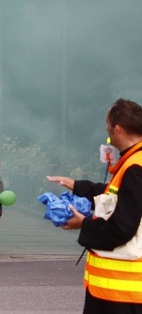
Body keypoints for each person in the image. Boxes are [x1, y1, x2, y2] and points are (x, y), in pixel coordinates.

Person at [48, 98, 142, 312]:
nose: (106, 129)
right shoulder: (133, 160)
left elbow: (121, 228)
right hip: (119, 292)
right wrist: (77, 185)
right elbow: (115, 195)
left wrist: (84, 223)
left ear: (117, 129)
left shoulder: (135, 167)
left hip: (123, 294)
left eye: (108, 125)